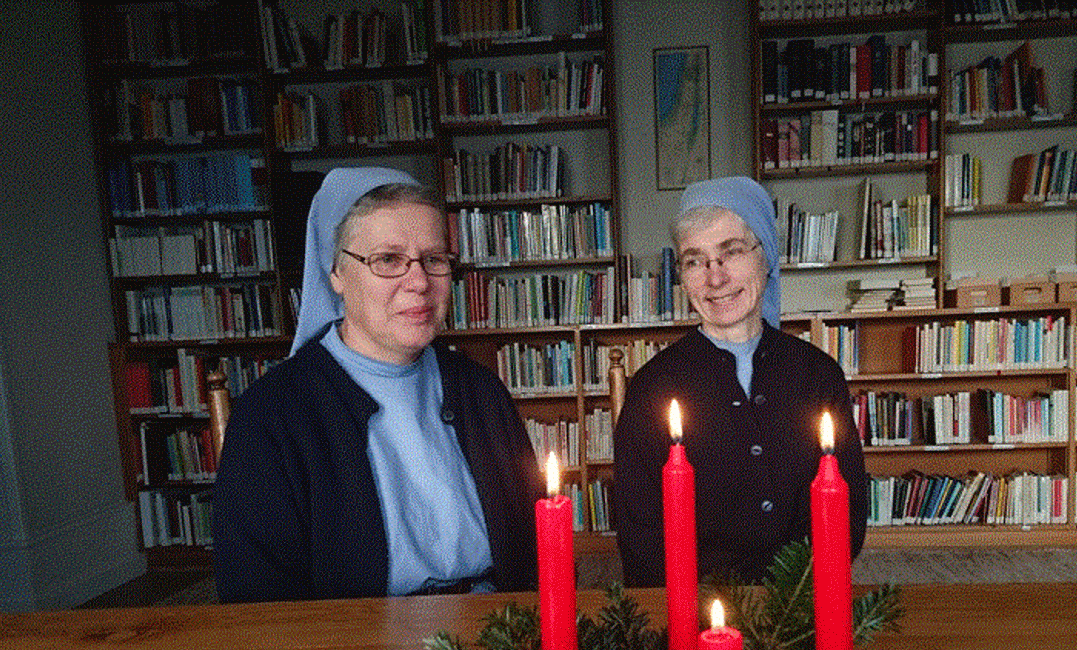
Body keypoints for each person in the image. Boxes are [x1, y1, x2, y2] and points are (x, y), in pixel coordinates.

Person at [213, 167, 543, 602]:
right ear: (335, 273)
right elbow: (259, 605)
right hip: (351, 640)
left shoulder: (481, 391)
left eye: (434, 259)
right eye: (388, 260)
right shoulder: (271, 416)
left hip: (497, 627)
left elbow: (534, 550)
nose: (419, 283)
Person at [613, 176, 868, 587]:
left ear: (766, 258)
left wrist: (793, 597)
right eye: (694, 261)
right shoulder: (652, 388)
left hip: (801, 599)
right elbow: (642, 539)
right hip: (695, 607)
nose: (715, 279)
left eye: (730, 252)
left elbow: (847, 511)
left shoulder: (818, 374)